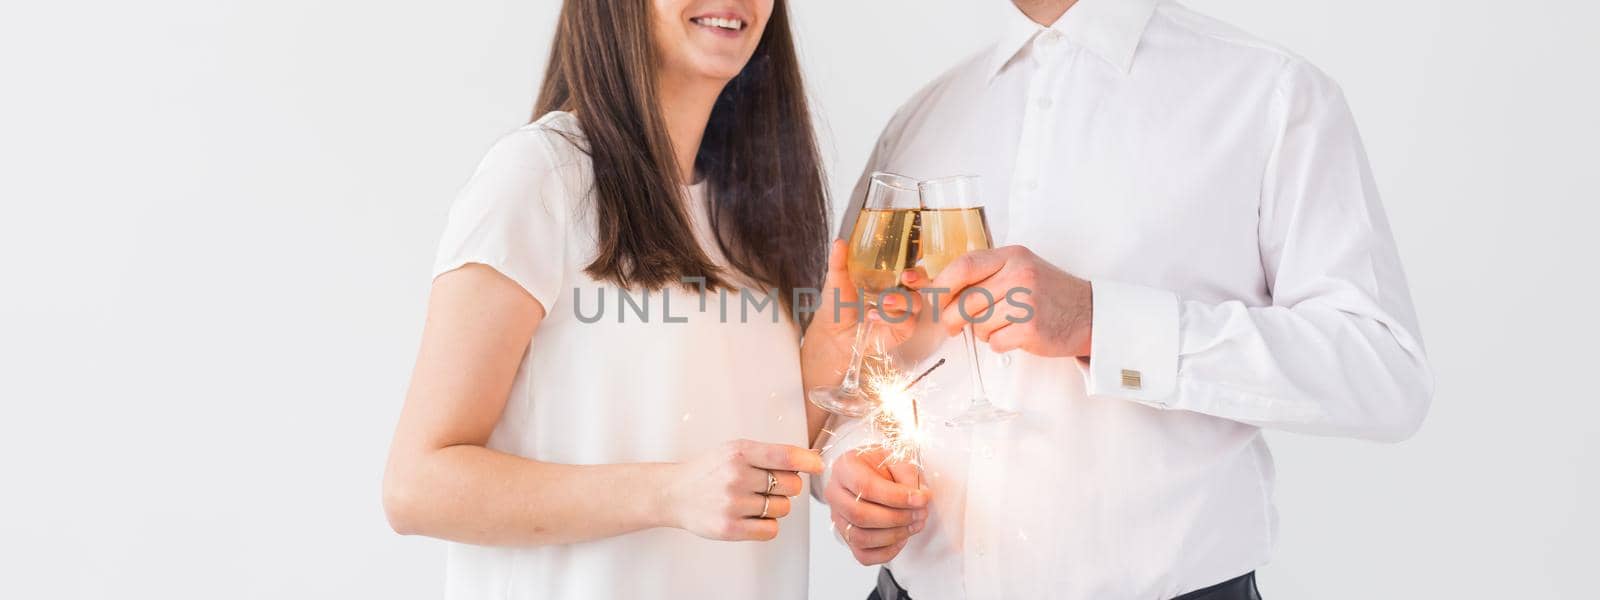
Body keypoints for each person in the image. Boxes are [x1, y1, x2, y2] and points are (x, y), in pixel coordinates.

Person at [817, 0, 1434, 599]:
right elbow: (860, 360)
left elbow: (1384, 372)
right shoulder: (921, 119)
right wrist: (852, 469)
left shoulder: (1270, 95)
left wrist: (1098, 322)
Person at [380, 1, 900, 598]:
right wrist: (668, 493)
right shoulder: (540, 177)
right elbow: (416, 486)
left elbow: (729, 464)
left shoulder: (748, 215)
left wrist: (827, 356)